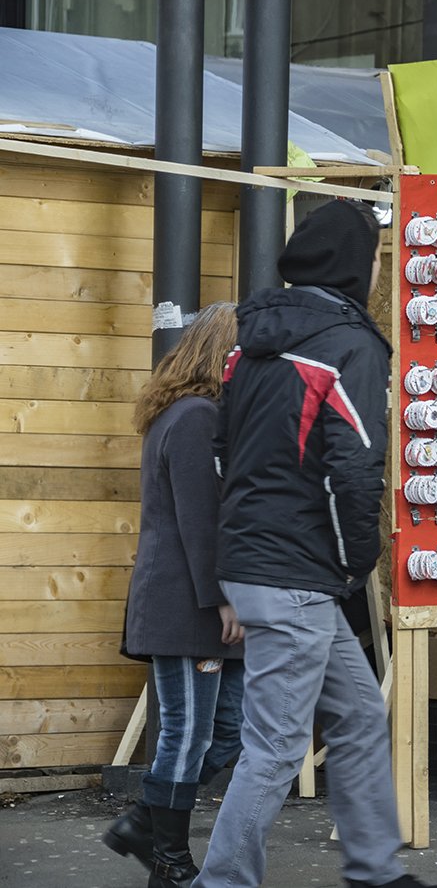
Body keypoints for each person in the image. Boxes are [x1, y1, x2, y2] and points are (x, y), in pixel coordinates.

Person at [193, 200, 437, 888]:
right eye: (373, 257)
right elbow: (354, 469)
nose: (376, 270)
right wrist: (353, 560)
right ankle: (223, 882)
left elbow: (221, 454)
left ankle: (375, 869)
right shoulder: (349, 345)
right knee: (275, 746)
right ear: (355, 265)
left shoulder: (249, 342)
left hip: (256, 560)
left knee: (361, 713)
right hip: (299, 570)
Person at [102, 304, 245, 887]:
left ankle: (142, 822)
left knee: (229, 734)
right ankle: (168, 859)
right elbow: (198, 519)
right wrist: (224, 600)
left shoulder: (196, 413)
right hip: (188, 609)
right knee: (187, 735)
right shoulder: (192, 419)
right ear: (224, 351)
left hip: (204, 607)